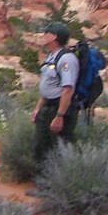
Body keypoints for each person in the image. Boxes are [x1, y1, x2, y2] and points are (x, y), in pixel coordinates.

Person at [32, 21, 79, 165]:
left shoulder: (66, 59)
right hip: (47, 107)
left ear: (54, 37)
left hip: (60, 108)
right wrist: (38, 108)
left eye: (46, 33)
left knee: (60, 149)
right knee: (42, 147)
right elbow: (48, 85)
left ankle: (62, 184)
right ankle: (42, 184)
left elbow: (68, 89)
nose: (43, 35)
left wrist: (60, 116)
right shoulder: (52, 56)